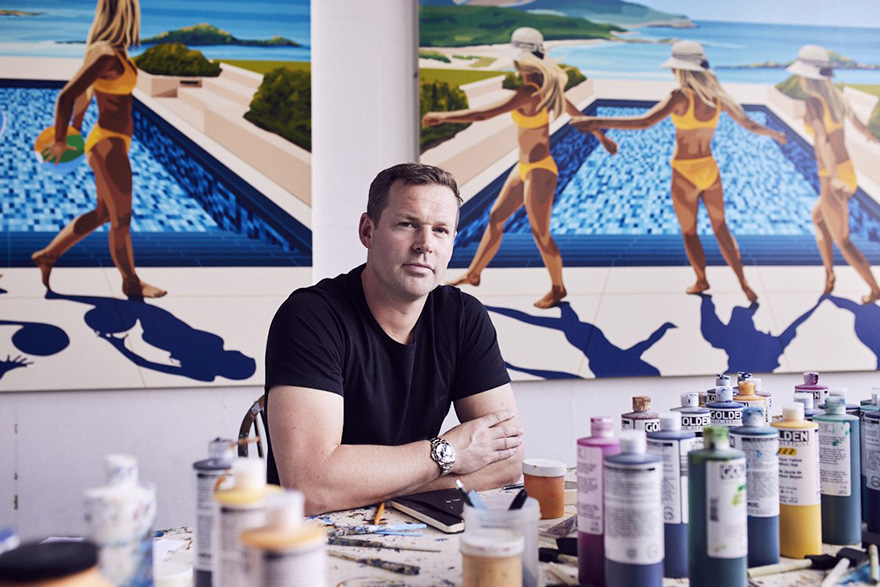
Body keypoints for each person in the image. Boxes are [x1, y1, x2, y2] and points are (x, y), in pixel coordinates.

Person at [264, 163, 524, 515]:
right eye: (407, 224)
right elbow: (310, 487)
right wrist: (449, 452)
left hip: (414, 526)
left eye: (440, 230)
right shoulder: (310, 317)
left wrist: (368, 485)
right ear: (367, 231)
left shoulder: (464, 317)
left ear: (452, 243)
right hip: (307, 535)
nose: (425, 245)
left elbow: (507, 463)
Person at [573, 41, 786, 303]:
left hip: (685, 172)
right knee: (721, 229)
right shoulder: (717, 98)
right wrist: (775, 134)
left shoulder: (679, 96)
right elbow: (749, 124)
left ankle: (701, 280)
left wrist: (597, 121)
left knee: (690, 232)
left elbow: (645, 122)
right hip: (709, 169)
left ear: (680, 70)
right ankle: (743, 283)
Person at [422, 27, 617, 309]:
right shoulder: (548, 89)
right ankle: (474, 274)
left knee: (540, 233)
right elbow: (578, 114)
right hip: (525, 167)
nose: (514, 63)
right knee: (495, 218)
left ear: (524, 61)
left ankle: (558, 287)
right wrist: (602, 137)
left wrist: (443, 117)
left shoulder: (529, 92)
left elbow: (484, 114)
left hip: (540, 171)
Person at [31, 0, 165, 298]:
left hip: (112, 142)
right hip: (108, 145)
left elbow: (87, 93)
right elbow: (67, 96)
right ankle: (131, 282)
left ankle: (48, 256)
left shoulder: (113, 52)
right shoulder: (105, 54)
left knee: (104, 213)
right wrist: (61, 139)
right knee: (122, 219)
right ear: (124, 14)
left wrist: (77, 127)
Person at [787, 44, 880, 304]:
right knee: (818, 218)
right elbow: (859, 125)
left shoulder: (813, 102)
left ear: (807, 75)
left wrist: (834, 177)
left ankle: (875, 289)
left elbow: (822, 139)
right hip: (847, 170)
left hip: (832, 175)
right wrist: (873, 138)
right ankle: (829, 274)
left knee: (843, 240)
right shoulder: (837, 96)